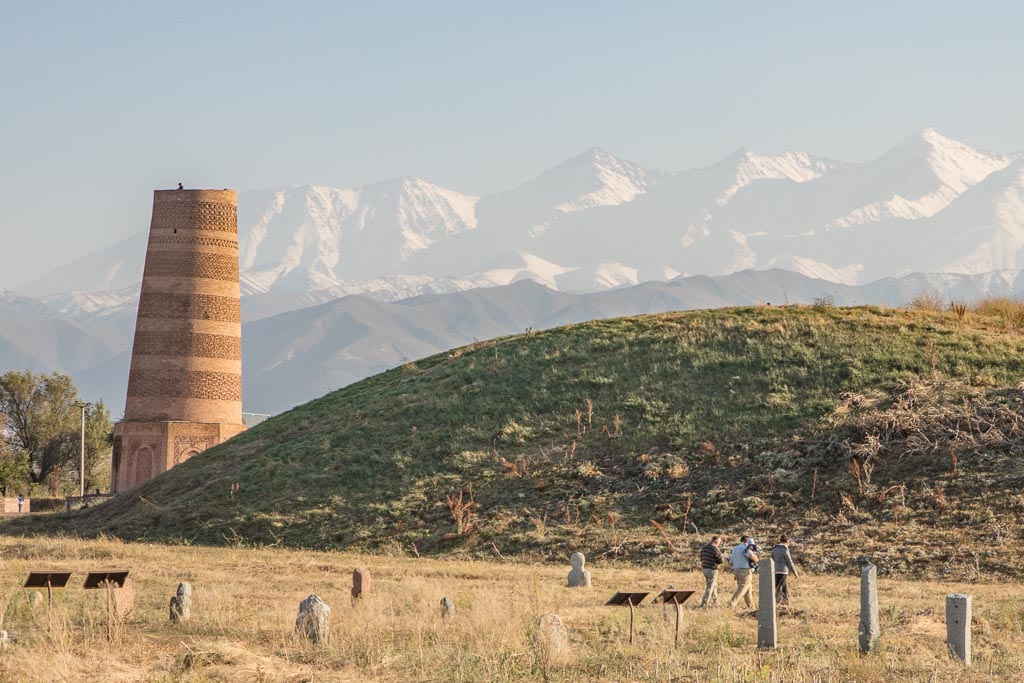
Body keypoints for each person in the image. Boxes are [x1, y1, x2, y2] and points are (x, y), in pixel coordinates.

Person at [727, 535, 759, 609]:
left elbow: (731, 562)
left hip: (736, 570)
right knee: (741, 589)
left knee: (748, 591)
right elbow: (752, 557)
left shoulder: (735, 549)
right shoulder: (745, 548)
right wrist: (757, 559)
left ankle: (751, 607)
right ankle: (731, 604)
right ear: (747, 541)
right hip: (745, 571)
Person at [770, 535, 799, 605]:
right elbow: (790, 561)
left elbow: (772, 560)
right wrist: (795, 572)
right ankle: (779, 600)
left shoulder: (773, 550)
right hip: (783, 570)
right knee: (780, 586)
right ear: (787, 542)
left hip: (776, 570)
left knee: (781, 585)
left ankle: (785, 600)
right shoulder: (785, 550)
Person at [699, 535, 724, 607]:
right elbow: (720, 560)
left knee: (714, 586)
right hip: (712, 569)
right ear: (716, 541)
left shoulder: (704, 548)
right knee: (710, 587)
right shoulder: (715, 548)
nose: (720, 543)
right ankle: (704, 603)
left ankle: (715, 603)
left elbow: (701, 557)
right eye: (719, 542)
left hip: (705, 569)